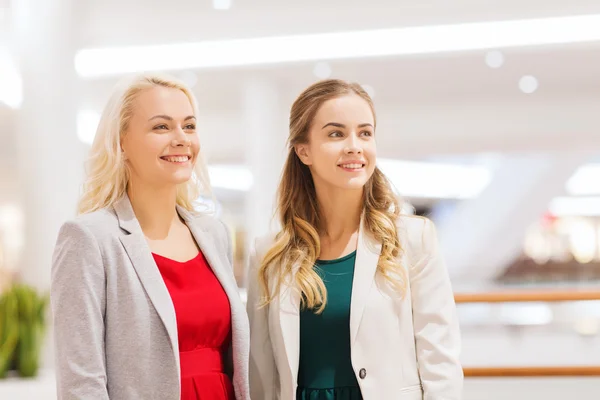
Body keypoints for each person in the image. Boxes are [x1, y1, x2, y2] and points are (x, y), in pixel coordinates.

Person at [246, 79, 463, 400]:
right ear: (303, 150)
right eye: (336, 134)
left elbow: (440, 356)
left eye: (365, 133)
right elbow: (260, 368)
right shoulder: (269, 254)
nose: (354, 146)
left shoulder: (414, 239)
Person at [51, 74, 250, 400]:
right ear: (121, 142)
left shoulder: (214, 234)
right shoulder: (88, 239)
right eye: (161, 127)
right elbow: (81, 382)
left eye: (189, 126)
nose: (181, 138)